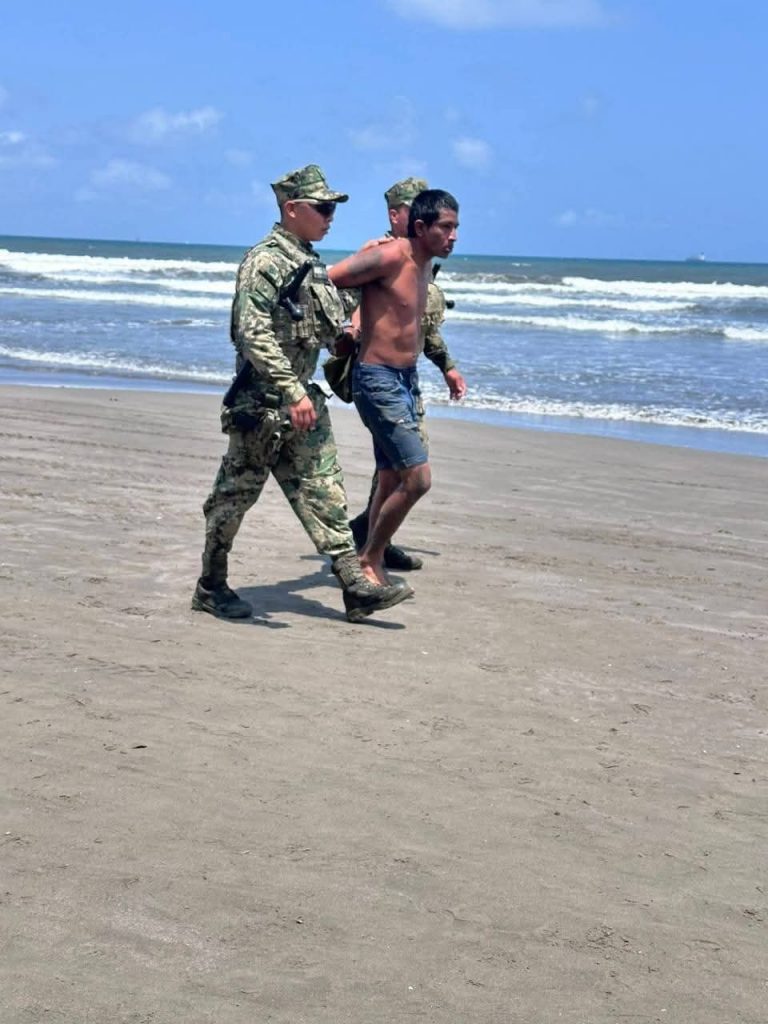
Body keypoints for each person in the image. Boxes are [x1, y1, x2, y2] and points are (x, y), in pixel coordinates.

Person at [192, 164, 410, 624]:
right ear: (292, 209)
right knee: (234, 498)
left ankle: (354, 586)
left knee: (325, 491)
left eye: (332, 209)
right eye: (322, 208)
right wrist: (291, 391)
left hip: (302, 405)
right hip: (261, 406)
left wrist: (366, 265)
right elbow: (251, 333)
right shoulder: (265, 262)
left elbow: (328, 324)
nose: (330, 216)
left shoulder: (309, 264)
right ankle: (211, 585)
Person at [328, 189, 460, 586]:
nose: (453, 236)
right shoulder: (389, 256)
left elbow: (415, 323)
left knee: (389, 479)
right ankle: (368, 561)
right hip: (377, 379)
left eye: (456, 228)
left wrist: (447, 367)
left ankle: (373, 557)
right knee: (417, 479)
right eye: (445, 227)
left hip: (406, 379)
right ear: (420, 227)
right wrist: (343, 329)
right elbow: (328, 280)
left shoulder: (425, 264)